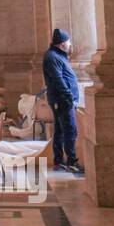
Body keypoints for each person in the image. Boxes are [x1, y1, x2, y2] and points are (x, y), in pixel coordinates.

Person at [42, 28, 84, 174]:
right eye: (68, 41)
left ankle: (59, 161)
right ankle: (71, 162)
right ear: (61, 44)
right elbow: (58, 79)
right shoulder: (52, 57)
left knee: (60, 130)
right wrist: (69, 98)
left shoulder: (58, 55)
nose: (70, 43)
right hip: (62, 100)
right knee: (70, 130)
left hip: (61, 99)